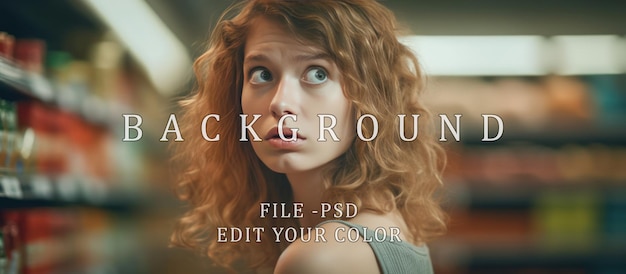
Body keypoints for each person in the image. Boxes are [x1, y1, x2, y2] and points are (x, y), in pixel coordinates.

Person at [170, 0, 447, 273]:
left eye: (317, 73)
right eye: (262, 73)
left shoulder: (320, 259)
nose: (280, 103)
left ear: (370, 97)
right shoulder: (388, 222)